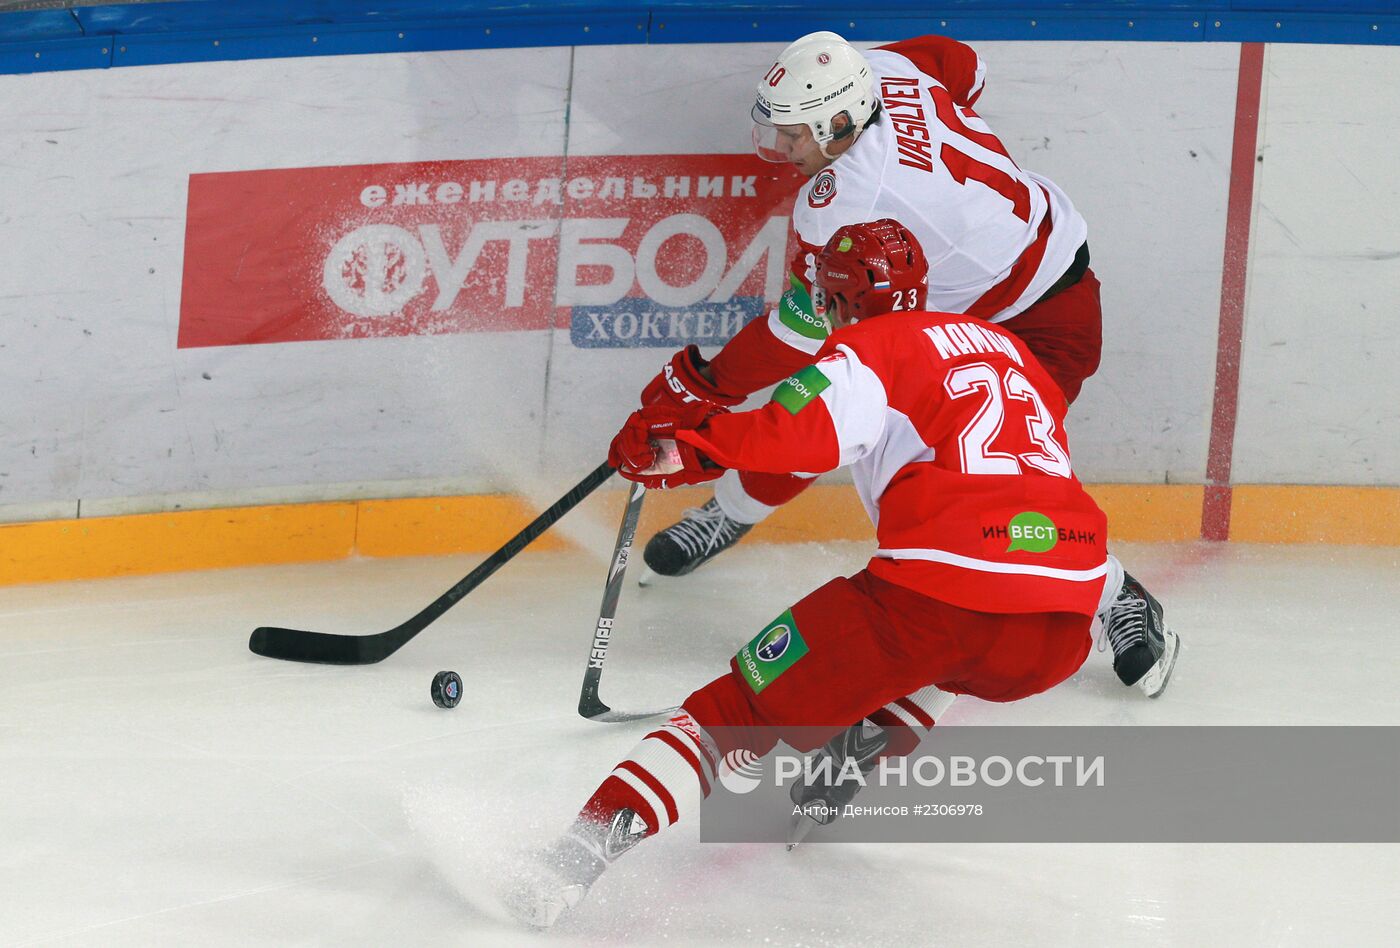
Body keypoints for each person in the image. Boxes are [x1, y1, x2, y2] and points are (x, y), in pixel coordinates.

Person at [507, 220, 1171, 928]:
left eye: (826, 299)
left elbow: (798, 434)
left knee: (733, 713)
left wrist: (683, 447)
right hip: (1063, 621)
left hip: (941, 597)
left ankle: (567, 864)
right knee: (943, 655)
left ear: (846, 303)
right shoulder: (1011, 350)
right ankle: (832, 783)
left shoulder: (871, 348)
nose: (821, 312)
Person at [633, 30, 1176, 699]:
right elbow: (960, 65)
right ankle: (734, 511)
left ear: (840, 122)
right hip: (988, 287)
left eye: (795, 137)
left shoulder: (846, 200)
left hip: (1038, 323)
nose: (782, 150)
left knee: (992, 474)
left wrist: (703, 384)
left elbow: (799, 333)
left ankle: (1115, 591)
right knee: (843, 401)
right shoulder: (880, 68)